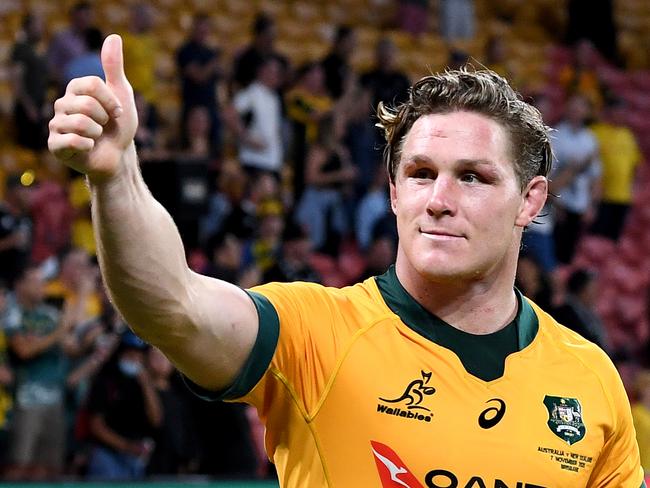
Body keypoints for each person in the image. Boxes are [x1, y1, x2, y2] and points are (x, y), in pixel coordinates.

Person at [48, 35, 644, 486]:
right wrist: (116, 175)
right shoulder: (316, 331)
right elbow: (171, 304)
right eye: (420, 174)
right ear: (392, 192)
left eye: (473, 177)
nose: (439, 200)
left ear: (530, 200)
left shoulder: (589, 378)